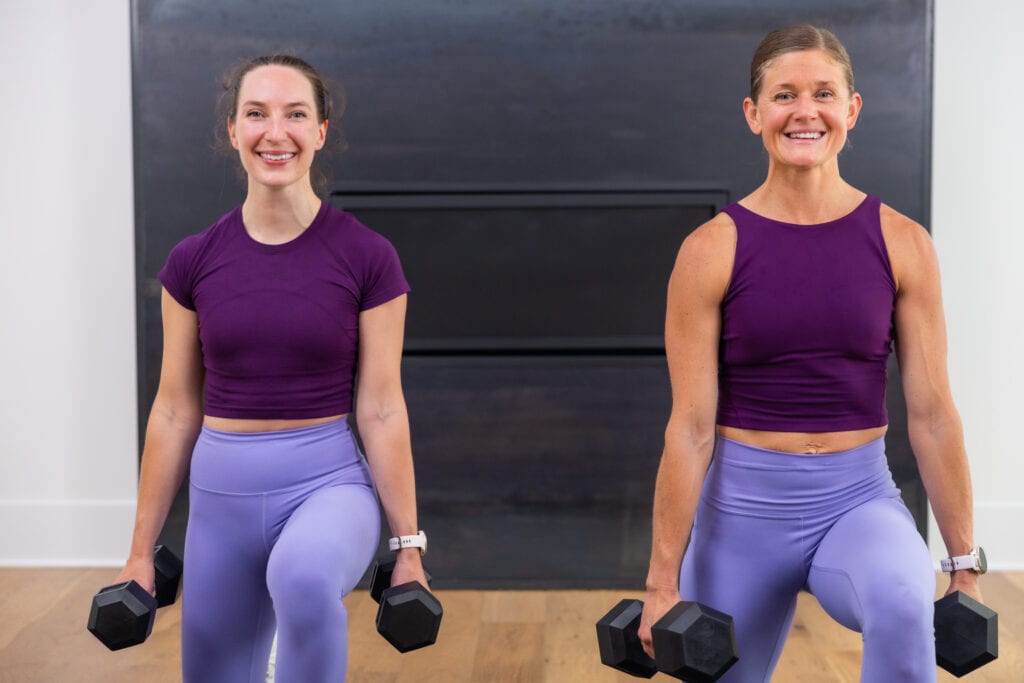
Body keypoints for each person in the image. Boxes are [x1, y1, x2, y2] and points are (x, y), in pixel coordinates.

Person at [638, 25, 986, 682]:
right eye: (784, 95)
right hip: (740, 513)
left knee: (904, 600)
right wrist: (660, 582)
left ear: (851, 109)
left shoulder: (902, 242)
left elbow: (934, 414)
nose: (805, 111)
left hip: (858, 502)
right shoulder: (710, 250)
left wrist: (963, 563)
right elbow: (688, 427)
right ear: (754, 114)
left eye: (824, 93)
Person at [114, 54, 429, 682]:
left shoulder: (368, 257)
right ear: (233, 131)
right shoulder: (192, 262)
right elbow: (176, 410)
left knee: (303, 576)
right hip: (219, 499)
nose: (275, 132)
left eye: (296, 114)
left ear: (321, 130)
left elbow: (382, 407)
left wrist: (409, 548)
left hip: (328, 484)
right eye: (255, 114)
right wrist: (138, 554)